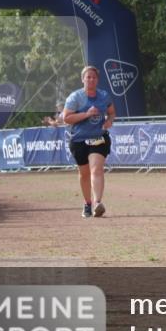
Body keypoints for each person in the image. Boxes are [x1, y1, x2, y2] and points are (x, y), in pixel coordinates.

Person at [62, 66, 116, 219]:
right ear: (83, 79)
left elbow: (112, 112)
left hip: (98, 138)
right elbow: (66, 118)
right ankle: (87, 203)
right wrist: (87, 114)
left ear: (97, 80)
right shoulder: (75, 98)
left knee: (96, 169)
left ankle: (98, 202)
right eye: (88, 77)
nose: (91, 80)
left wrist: (109, 121)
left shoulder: (104, 96)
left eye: (94, 77)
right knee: (84, 174)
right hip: (78, 140)